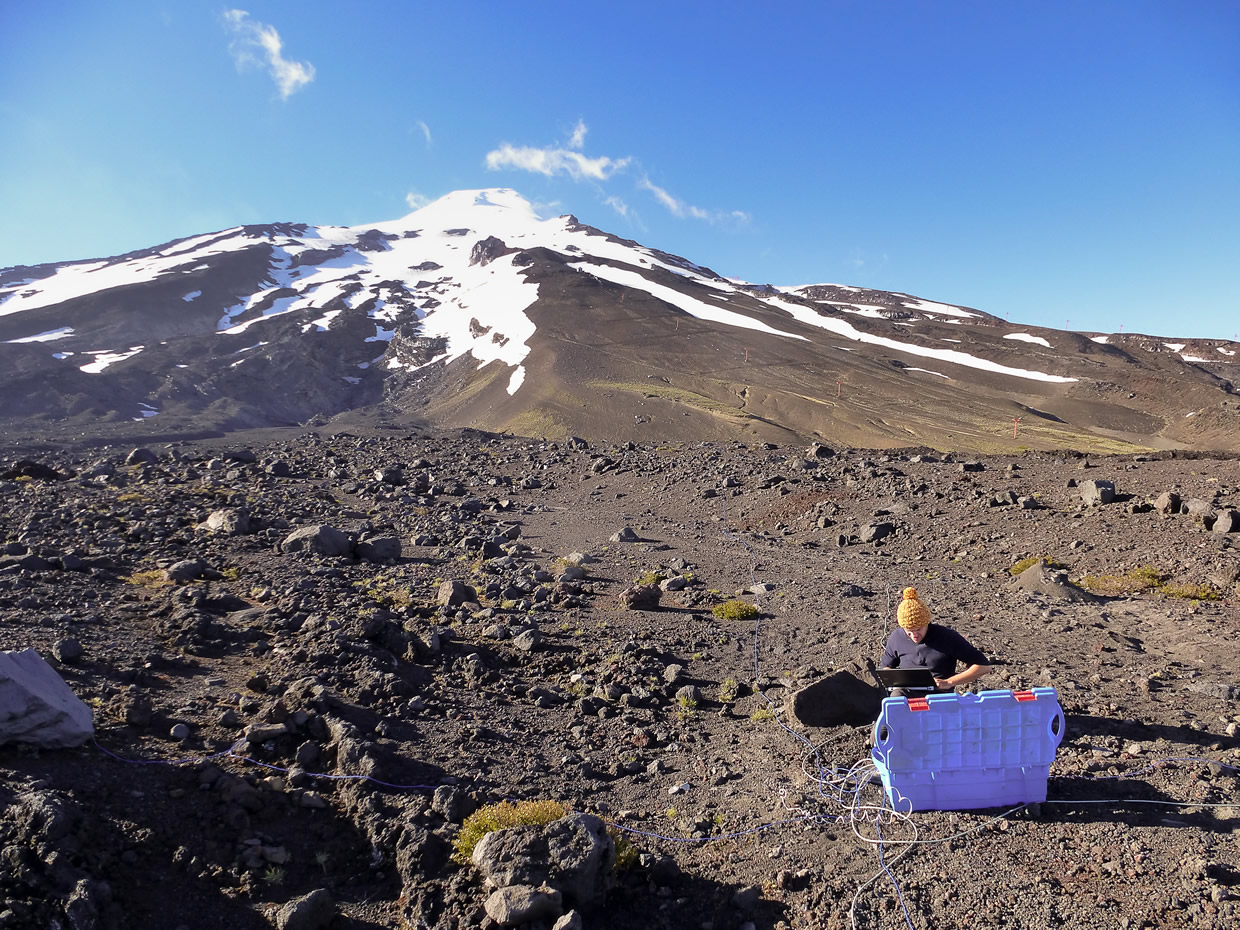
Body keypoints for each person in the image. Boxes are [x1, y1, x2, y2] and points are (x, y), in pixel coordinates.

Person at [878, 587, 990, 694]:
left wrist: (949, 682)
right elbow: (886, 668)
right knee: (896, 697)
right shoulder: (897, 637)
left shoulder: (946, 637)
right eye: (909, 631)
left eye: (918, 629)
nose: (914, 635)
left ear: (926, 623)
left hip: (938, 695)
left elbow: (984, 667)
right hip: (906, 694)